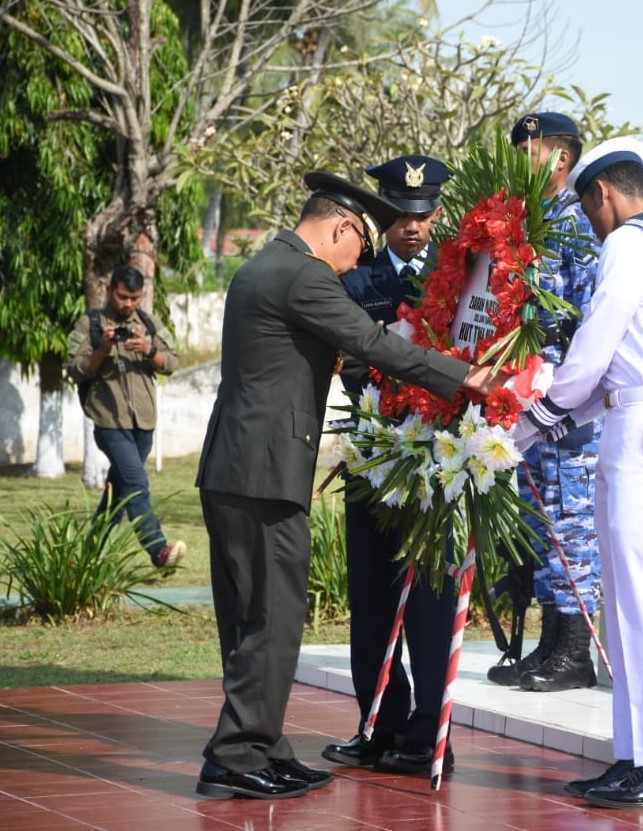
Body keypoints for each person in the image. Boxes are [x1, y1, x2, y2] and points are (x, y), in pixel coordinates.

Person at [195, 171, 500, 800]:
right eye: (357, 248)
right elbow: (370, 342)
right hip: (262, 473)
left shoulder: (263, 266)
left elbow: (337, 355)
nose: (354, 263)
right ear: (340, 227)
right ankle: (233, 753)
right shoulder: (305, 275)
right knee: (272, 617)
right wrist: (462, 377)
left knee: (254, 614)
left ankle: (263, 745)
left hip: (239, 468)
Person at [517, 137, 643, 809]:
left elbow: (595, 338)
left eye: (587, 207)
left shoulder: (630, 243)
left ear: (603, 193)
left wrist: (541, 409)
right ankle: (637, 754)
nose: (592, 224)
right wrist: (557, 417)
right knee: (628, 603)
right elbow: (619, 367)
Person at [321, 155, 459, 776]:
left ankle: (430, 733)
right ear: (383, 217)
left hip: (436, 459)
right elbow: (346, 361)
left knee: (431, 596)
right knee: (372, 596)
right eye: (401, 215)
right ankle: (379, 724)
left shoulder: (459, 281)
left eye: (424, 214)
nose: (413, 227)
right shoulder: (354, 282)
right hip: (373, 452)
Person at [485, 113, 604, 693]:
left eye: (528, 150)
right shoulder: (527, 224)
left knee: (571, 524)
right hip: (526, 402)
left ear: (561, 158)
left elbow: (585, 318)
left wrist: (560, 392)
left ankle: (575, 653)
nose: (518, 160)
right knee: (541, 524)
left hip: (567, 407)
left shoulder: (577, 224)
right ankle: (549, 646)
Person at [67, 265, 185, 571]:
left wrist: (148, 349)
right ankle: (159, 551)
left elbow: (172, 362)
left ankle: (90, 558)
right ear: (109, 290)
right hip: (109, 421)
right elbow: (75, 370)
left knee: (116, 493)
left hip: (144, 423)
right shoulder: (89, 324)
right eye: (122, 297)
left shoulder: (149, 323)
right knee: (135, 482)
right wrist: (102, 349)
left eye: (134, 297)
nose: (128, 304)